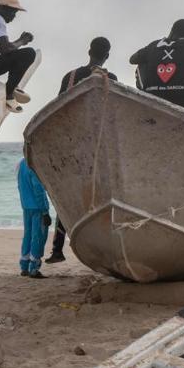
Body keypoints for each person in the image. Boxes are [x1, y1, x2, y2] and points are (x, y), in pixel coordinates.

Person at [47, 36, 117, 264]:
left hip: (72, 143)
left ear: (89, 51)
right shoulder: (110, 78)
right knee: (103, 198)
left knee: (67, 199)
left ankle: (57, 250)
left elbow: (59, 106)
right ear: (107, 55)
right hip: (97, 146)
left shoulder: (71, 77)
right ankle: (106, 250)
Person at [16, 158, 51, 278]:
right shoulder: (34, 164)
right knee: (38, 237)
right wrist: (45, 211)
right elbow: (39, 190)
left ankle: (24, 266)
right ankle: (34, 268)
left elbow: (19, 186)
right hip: (37, 208)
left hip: (26, 206)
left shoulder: (21, 164)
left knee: (28, 235)